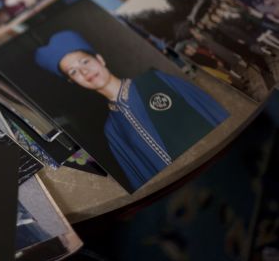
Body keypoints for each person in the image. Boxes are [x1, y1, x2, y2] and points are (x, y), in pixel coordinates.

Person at [35, 31, 229, 190]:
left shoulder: (157, 80)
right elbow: (142, 181)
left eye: (84, 61)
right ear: (73, 82)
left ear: (100, 59)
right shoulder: (111, 130)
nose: (85, 72)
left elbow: (214, 114)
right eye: (74, 72)